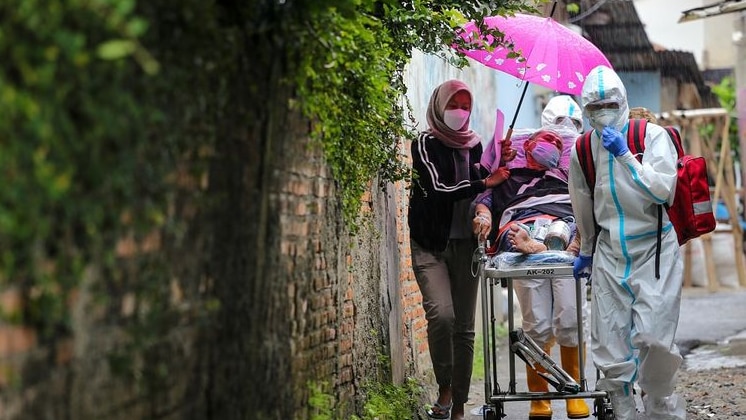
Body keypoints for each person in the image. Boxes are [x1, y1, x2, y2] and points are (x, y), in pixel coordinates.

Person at [568, 65, 686, 420]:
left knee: (654, 337)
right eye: (593, 107)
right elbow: (582, 201)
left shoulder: (650, 136)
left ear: (622, 101)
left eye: (608, 104)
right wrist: (586, 251)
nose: (602, 112)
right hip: (609, 253)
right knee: (610, 343)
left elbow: (663, 189)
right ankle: (622, 408)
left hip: (655, 250)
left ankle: (659, 401)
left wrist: (624, 155)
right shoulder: (583, 149)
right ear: (585, 109)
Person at [408, 79, 513, 420]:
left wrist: (498, 162)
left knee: (464, 326)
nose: (460, 112)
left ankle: (459, 405)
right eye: (455, 104)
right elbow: (440, 187)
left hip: (466, 244)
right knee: (443, 315)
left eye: (466, 106)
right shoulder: (424, 143)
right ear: (439, 105)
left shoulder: (475, 143)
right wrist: (485, 181)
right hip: (431, 244)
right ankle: (444, 389)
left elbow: (479, 180)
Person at [472, 127, 590, 420]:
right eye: (541, 141)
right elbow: (484, 200)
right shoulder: (509, 177)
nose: (548, 146)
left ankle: (572, 390)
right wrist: (483, 215)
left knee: (570, 315)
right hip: (520, 236)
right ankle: (540, 398)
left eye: (555, 143)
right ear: (526, 149)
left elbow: (587, 204)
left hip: (565, 235)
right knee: (536, 322)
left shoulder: (569, 178)